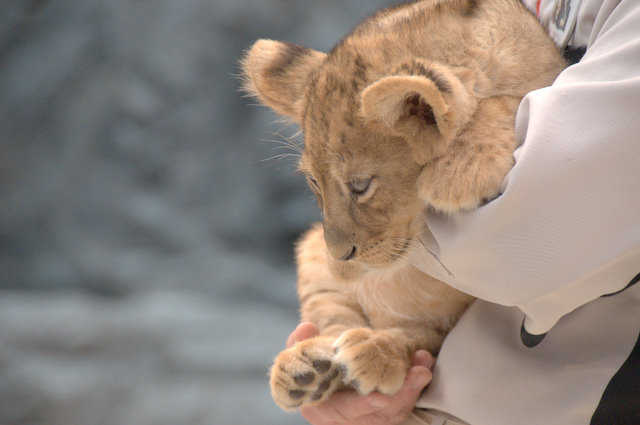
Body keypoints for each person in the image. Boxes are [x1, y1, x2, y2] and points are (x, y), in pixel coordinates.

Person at [286, 0, 640, 423]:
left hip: (556, 403)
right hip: (429, 390)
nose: (337, 245)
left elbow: (525, 240)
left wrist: (487, 121)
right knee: (319, 255)